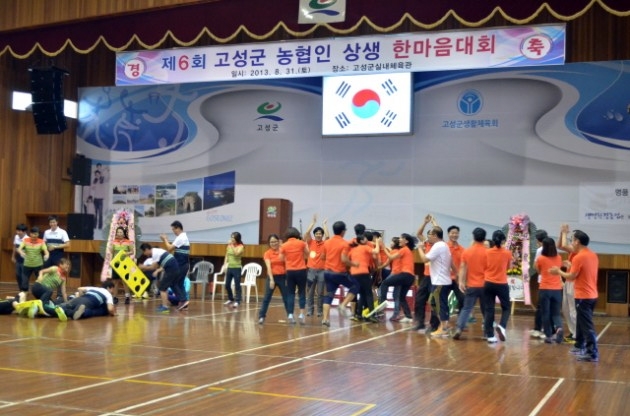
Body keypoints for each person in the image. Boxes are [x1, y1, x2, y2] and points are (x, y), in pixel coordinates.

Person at [550, 230, 599, 362]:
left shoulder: (579, 257)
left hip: (583, 295)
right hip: (592, 294)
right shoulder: (592, 255)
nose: (571, 242)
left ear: (577, 241)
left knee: (586, 325)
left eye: (572, 240)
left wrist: (558, 271)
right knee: (581, 322)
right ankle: (579, 345)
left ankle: (592, 352)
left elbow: (571, 276)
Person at [416, 226, 454, 337]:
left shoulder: (438, 246)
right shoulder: (444, 245)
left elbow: (424, 259)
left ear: (435, 236)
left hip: (439, 281)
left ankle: (443, 328)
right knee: (435, 302)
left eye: (430, 235)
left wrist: (420, 249)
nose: (428, 237)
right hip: (441, 280)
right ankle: (445, 325)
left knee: (438, 304)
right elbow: (451, 262)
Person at [320, 221, 359, 327]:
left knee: (329, 295)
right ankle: (343, 305)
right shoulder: (344, 244)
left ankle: (325, 319)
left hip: (327, 272)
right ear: (343, 231)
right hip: (339, 273)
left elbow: (322, 257)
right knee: (355, 286)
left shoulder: (327, 242)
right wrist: (354, 264)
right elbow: (344, 259)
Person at [452, 227, 488, 340]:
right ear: (484, 238)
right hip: (486, 285)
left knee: (466, 308)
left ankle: (459, 328)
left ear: (474, 237)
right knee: (486, 309)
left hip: (472, 285)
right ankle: (487, 332)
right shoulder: (488, 252)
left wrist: (461, 282)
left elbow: (463, 268)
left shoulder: (467, 251)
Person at [373, 233, 417, 322]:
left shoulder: (404, 249)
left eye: (401, 238)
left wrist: (383, 246)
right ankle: (408, 316)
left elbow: (390, 257)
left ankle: (383, 303)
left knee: (384, 283)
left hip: (404, 275)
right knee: (401, 297)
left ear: (406, 241)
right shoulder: (406, 250)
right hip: (410, 277)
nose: (399, 239)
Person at [483, 230, 513, 343]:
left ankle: (490, 336)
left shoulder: (487, 252)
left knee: (489, 309)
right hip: (501, 283)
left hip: (487, 283)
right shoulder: (507, 253)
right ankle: (502, 326)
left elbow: (484, 266)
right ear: (503, 241)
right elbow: (509, 268)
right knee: (506, 308)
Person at [412, 214, 440, 333]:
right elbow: (418, 233)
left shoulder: (438, 245)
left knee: (433, 302)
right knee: (419, 299)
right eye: (428, 235)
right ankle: (420, 323)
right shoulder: (426, 243)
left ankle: (434, 325)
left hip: (436, 277)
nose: (429, 236)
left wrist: (434, 222)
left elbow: (439, 231)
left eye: (432, 234)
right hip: (426, 276)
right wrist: (425, 222)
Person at [140, 243, 185, 313]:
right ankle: (183, 301)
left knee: (162, 288)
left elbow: (153, 267)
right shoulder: (156, 251)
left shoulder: (154, 253)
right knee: (173, 284)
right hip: (174, 267)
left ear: (146, 249)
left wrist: (143, 267)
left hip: (171, 268)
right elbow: (157, 266)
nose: (144, 254)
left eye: (144, 252)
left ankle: (165, 307)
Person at [535, 237, 564, 343]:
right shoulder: (559, 258)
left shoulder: (541, 258)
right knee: (556, 313)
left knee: (545, 313)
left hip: (545, 288)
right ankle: (559, 328)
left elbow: (538, 271)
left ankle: (549, 335)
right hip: (557, 289)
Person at [280, 227, 309, 324]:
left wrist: (288, 258)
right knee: (302, 292)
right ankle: (301, 314)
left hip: (290, 271)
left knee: (290, 293)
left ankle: (290, 315)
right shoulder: (302, 243)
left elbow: (281, 258)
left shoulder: (284, 245)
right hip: (301, 270)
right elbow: (308, 254)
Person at [348, 233, 379, 322]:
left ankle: (358, 315)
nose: (367, 240)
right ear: (361, 241)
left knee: (362, 294)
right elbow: (376, 251)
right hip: (363, 273)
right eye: (365, 239)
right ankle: (372, 315)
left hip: (354, 274)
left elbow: (347, 259)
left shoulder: (353, 250)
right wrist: (377, 242)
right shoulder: (365, 247)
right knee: (369, 293)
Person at [258, 234, 288, 324]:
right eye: (271, 242)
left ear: (278, 242)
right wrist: (271, 279)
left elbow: (287, 265)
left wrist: (287, 278)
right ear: (269, 243)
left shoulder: (283, 252)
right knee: (266, 298)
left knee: (286, 298)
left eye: (275, 241)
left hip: (283, 277)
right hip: (272, 277)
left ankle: (290, 315)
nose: (273, 243)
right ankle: (261, 317)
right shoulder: (267, 253)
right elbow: (268, 267)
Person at [160, 220, 190, 309]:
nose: (173, 231)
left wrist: (165, 239)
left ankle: (183, 300)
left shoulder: (181, 237)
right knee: (180, 283)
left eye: (173, 229)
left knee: (173, 282)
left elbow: (169, 248)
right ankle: (184, 302)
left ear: (178, 228)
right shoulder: (183, 237)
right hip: (184, 264)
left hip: (181, 264)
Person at [304, 214, 328, 318]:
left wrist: (324, 225)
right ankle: (310, 310)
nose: (318, 235)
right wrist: (313, 222)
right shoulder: (311, 242)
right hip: (311, 271)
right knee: (310, 292)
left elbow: (328, 236)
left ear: (322, 235)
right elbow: (307, 233)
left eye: (320, 233)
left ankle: (319, 311)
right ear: (314, 235)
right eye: (317, 233)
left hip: (322, 271)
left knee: (320, 292)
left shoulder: (325, 243)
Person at [557, 223, 577, 342]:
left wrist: (564, 232)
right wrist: (561, 233)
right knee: (566, 308)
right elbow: (560, 245)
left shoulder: (577, 250)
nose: (571, 241)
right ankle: (573, 332)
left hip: (574, 282)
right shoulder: (572, 251)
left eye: (572, 239)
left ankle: (577, 334)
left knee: (573, 309)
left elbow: (564, 245)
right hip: (568, 280)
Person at [17, 226, 49, 296]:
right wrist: (21, 252)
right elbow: (19, 249)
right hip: (27, 264)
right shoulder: (25, 240)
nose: (34, 236)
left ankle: (41, 295)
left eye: (36, 234)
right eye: (33, 234)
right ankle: (24, 294)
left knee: (40, 281)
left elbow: (46, 251)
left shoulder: (41, 241)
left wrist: (46, 255)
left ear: (38, 234)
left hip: (38, 265)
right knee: (24, 282)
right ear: (30, 234)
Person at [529, 229, 549, 340]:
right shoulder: (552, 248)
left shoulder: (540, 250)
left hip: (543, 281)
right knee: (544, 306)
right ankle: (539, 327)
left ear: (538, 240)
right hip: (552, 282)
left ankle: (541, 329)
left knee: (541, 306)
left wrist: (541, 272)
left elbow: (535, 266)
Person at [109, 226, 135, 304]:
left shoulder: (128, 242)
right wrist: (111, 262)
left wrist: (126, 253)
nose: (119, 233)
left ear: (123, 234)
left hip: (125, 264)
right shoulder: (113, 242)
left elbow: (132, 252)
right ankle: (115, 297)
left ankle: (127, 297)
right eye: (118, 232)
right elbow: (112, 252)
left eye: (120, 232)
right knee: (115, 281)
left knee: (125, 281)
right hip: (116, 264)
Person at [220, 232, 244, 308]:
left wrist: (232, 245)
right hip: (230, 267)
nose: (232, 239)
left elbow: (236, 253)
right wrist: (225, 265)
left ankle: (237, 301)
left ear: (237, 239)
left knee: (237, 285)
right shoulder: (229, 246)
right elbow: (227, 255)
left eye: (233, 238)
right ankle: (230, 298)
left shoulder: (241, 246)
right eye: (231, 237)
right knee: (227, 285)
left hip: (237, 268)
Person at [446, 225, 465, 314]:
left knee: (462, 299)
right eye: (452, 233)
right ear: (448, 234)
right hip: (445, 278)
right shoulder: (444, 247)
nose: (454, 235)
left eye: (456, 233)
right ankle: (443, 319)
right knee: (442, 300)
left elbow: (464, 265)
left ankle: (461, 319)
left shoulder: (462, 249)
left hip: (457, 279)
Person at [12, 223, 28, 292]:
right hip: (18, 259)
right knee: (18, 275)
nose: (18, 232)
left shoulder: (27, 239)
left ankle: (24, 291)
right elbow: (14, 247)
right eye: (17, 230)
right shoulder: (16, 237)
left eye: (19, 231)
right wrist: (13, 256)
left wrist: (21, 251)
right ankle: (21, 290)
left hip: (25, 260)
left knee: (24, 276)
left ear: (24, 232)